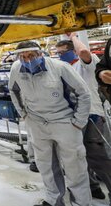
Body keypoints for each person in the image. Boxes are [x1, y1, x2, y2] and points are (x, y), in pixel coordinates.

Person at [9, 41, 91, 206]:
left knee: (75, 166)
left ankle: (81, 203)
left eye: (31, 55)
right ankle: (55, 200)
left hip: (65, 122)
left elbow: (84, 93)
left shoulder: (60, 67)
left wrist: (79, 121)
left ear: (40, 54)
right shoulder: (16, 69)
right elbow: (14, 90)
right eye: (23, 57)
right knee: (46, 166)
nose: (27, 60)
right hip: (37, 123)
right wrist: (24, 115)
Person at [56, 33, 111, 201]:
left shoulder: (88, 63)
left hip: (92, 116)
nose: (60, 55)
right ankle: (93, 188)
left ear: (72, 50)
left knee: (97, 156)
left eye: (63, 51)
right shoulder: (62, 69)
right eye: (57, 52)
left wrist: (73, 36)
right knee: (77, 156)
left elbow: (84, 53)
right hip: (73, 119)